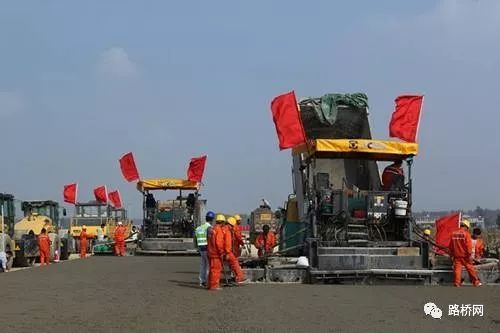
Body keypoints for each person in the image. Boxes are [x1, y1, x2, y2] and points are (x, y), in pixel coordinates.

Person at [448, 219, 481, 287]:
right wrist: (470, 254)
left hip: (456, 255)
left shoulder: (453, 233)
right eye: (468, 228)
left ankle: (457, 283)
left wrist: (451, 254)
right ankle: (476, 282)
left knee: (457, 269)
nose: (468, 229)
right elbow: (468, 246)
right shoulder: (466, 234)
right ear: (466, 226)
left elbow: (450, 246)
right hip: (465, 255)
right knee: (470, 269)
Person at [224, 217, 247, 284]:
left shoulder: (223, 229)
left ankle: (235, 276)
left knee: (232, 263)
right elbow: (236, 237)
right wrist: (242, 243)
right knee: (234, 262)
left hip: (228, 249)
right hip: (230, 249)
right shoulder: (228, 230)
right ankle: (239, 277)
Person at [195, 211, 214, 287]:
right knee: (209, 266)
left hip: (201, 249)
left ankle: (202, 281)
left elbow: (195, 240)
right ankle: (207, 281)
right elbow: (211, 239)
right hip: (207, 248)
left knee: (203, 265)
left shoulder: (199, 228)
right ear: (212, 219)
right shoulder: (209, 228)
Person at [207, 214, 226, 291]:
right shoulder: (219, 230)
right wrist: (221, 252)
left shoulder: (213, 229)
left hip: (210, 252)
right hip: (216, 254)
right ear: (222, 222)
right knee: (216, 270)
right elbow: (219, 243)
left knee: (212, 270)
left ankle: (210, 284)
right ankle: (214, 286)